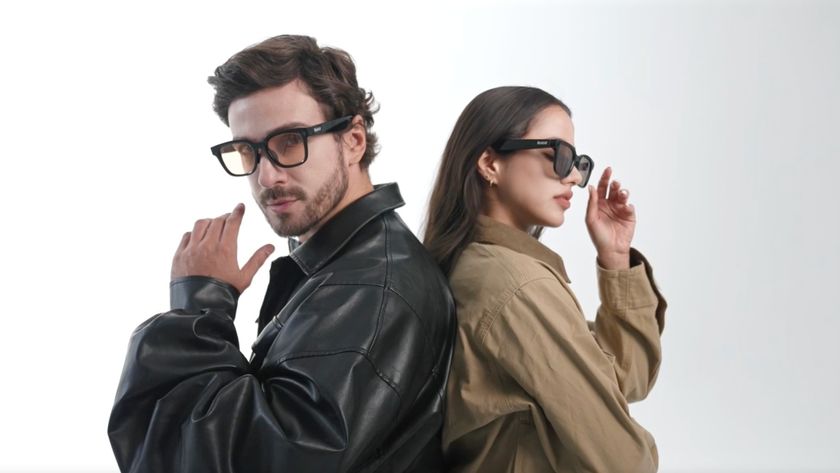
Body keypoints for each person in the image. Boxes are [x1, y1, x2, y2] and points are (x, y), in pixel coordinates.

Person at [108, 35, 456, 473]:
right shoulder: (343, 265)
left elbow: (247, 460)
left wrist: (199, 311)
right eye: (247, 150)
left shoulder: (369, 287)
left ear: (353, 141)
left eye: (290, 142)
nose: (267, 175)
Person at [423, 86, 667, 472]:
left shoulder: (484, 267)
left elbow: (624, 379)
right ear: (490, 163)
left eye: (577, 161)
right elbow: (623, 459)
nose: (572, 176)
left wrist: (616, 258)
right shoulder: (515, 285)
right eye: (557, 155)